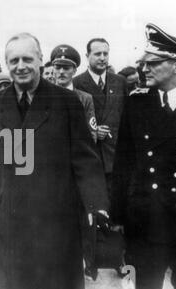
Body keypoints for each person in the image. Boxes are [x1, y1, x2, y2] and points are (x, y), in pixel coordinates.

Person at [0, 32, 109, 289]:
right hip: (8, 218)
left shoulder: (66, 102)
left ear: (40, 60)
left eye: (27, 59)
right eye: (13, 60)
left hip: (55, 220)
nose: (20, 66)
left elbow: (84, 158)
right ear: (6, 63)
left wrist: (95, 202)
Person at [112, 23, 176, 289]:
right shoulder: (138, 103)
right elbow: (124, 162)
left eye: (153, 63)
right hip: (146, 221)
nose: (144, 69)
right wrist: (118, 214)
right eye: (143, 63)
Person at [73, 38, 127, 196]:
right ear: (87, 56)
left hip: (116, 153)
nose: (102, 58)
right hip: (91, 154)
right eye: (97, 54)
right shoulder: (77, 83)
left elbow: (125, 115)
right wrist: (93, 130)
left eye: (106, 53)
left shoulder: (120, 82)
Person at [51, 44, 97, 141]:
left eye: (66, 68)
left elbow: (92, 135)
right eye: (58, 67)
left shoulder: (85, 99)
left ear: (75, 71)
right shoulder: (43, 97)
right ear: (53, 70)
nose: (61, 72)